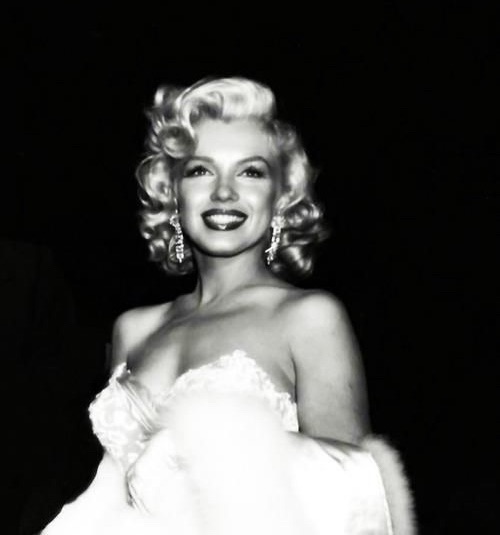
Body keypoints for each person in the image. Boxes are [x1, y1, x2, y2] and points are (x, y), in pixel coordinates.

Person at [40, 77, 416, 534]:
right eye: (200, 171)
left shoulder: (308, 317)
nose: (223, 192)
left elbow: (352, 503)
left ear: (281, 197)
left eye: (251, 172)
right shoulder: (133, 329)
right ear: (172, 194)